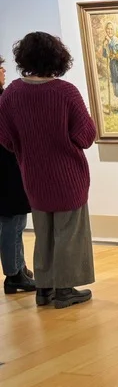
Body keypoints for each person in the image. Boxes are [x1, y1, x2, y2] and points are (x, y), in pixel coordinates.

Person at [0, 32, 96, 308]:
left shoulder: (12, 93)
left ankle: (44, 288)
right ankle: (65, 290)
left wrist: (26, 149)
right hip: (68, 175)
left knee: (43, 233)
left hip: (33, 175)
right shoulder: (65, 92)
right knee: (69, 232)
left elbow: (5, 137)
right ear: (57, 57)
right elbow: (86, 135)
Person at [0, 55, 35, 295]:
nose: (3, 71)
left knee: (15, 221)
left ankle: (18, 267)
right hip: (6, 169)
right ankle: (13, 274)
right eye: (0, 68)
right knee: (13, 221)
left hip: (8, 167)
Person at [100, 21, 118, 113]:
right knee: (116, 88)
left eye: (111, 29)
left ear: (114, 30)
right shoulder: (106, 40)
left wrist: (110, 42)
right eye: (108, 29)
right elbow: (105, 55)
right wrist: (104, 46)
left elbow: (117, 53)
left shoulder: (116, 41)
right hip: (113, 67)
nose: (109, 31)